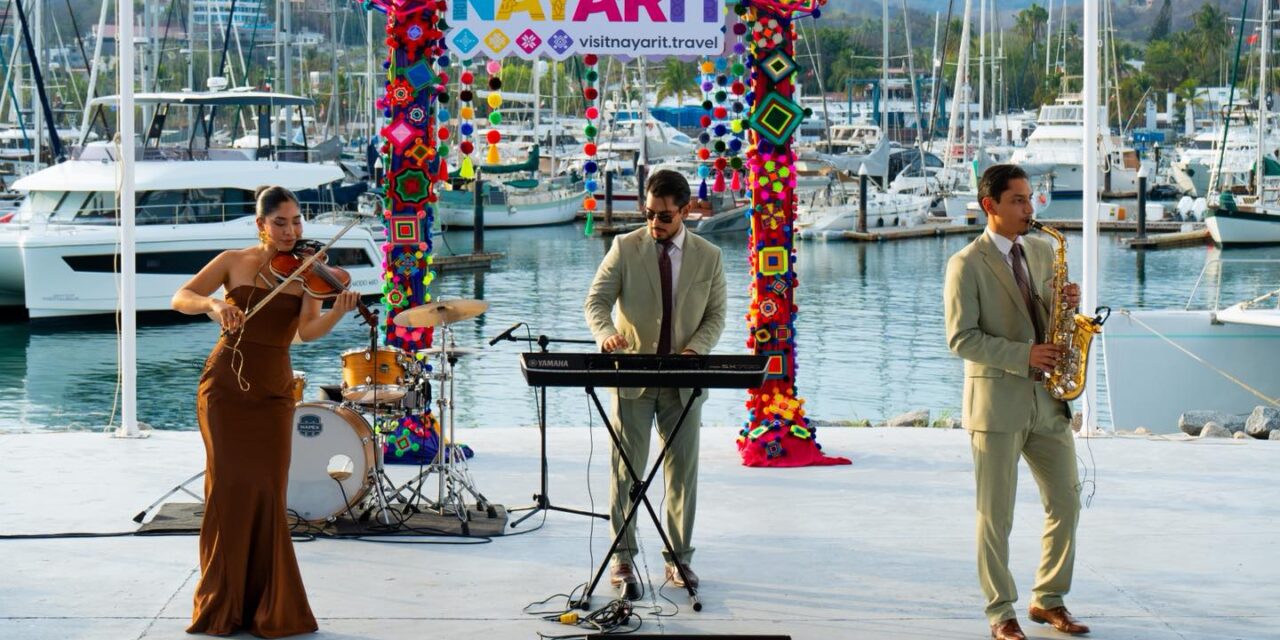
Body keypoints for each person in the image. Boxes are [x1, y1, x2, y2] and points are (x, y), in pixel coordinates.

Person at [172, 185, 360, 637]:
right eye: (281, 222)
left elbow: (309, 332)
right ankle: (224, 601)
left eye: (297, 221)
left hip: (274, 390)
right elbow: (181, 297)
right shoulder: (232, 261)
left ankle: (267, 603)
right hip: (224, 388)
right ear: (261, 225)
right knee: (229, 489)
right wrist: (215, 304)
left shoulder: (307, 272)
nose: (291, 230)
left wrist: (337, 311)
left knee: (268, 490)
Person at [944, 164, 1090, 640]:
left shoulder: (1045, 250)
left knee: (1067, 500)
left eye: (1031, 199)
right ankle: (1000, 612)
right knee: (996, 514)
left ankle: (1048, 600)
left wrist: (1067, 303)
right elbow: (961, 339)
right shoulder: (965, 263)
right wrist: (1023, 355)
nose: (1031, 209)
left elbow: (1047, 320)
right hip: (997, 404)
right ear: (991, 206)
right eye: (1019, 201)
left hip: (1048, 400)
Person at [584, 168, 727, 597]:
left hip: (684, 381)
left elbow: (715, 316)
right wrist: (604, 332)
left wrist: (695, 350)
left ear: (685, 211)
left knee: (682, 473)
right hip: (632, 378)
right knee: (625, 472)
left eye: (664, 216)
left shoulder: (710, 256)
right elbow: (596, 300)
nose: (655, 223)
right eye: (649, 213)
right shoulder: (625, 247)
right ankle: (623, 561)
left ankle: (679, 560)